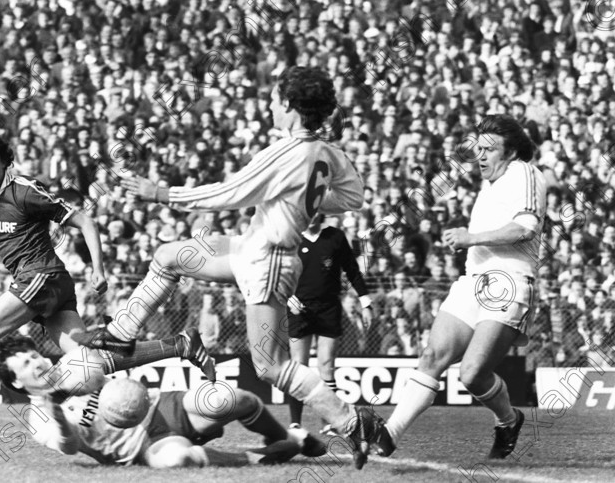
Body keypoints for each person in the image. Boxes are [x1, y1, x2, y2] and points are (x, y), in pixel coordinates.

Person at [80, 67, 384, 469]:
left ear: (290, 106)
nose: (271, 106)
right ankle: (121, 334)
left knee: (270, 365)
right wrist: (306, 203)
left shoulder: (286, 152)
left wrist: (162, 193)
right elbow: (354, 196)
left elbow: (230, 192)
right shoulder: (327, 152)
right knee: (168, 256)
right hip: (252, 250)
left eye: (276, 100)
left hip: (270, 260)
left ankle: (350, 420)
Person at [0, 130, 215, 448]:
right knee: (88, 361)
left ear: (4, 161)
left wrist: (98, 269)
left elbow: (85, 220)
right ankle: (180, 345)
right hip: (40, 284)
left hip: (41, 278)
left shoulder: (26, 191)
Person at [373, 114, 545, 459]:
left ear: (511, 152)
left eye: (489, 149)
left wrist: (471, 237)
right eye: (477, 149)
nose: (480, 156)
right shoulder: (489, 184)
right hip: (473, 281)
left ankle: (508, 420)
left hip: (509, 281)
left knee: (472, 374)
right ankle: (388, 435)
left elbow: (525, 228)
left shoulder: (525, 173)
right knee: (431, 356)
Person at [0, 334, 327, 468]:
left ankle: (278, 437)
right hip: (142, 449)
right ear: (16, 381)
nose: (37, 362)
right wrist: (56, 412)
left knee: (229, 397)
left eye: (35, 354)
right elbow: (70, 445)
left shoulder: (75, 367)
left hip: (163, 407)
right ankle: (269, 453)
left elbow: (124, 354)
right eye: (26, 363)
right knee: (178, 459)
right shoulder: (38, 419)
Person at [286, 214, 373, 430]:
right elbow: (277, 272)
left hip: (328, 307)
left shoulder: (335, 237)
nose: (314, 215)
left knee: (327, 365)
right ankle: (295, 423)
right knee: (299, 366)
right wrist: (288, 298)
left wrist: (366, 302)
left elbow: (352, 269)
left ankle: (330, 422)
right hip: (299, 308)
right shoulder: (291, 236)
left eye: (318, 210)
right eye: (310, 210)